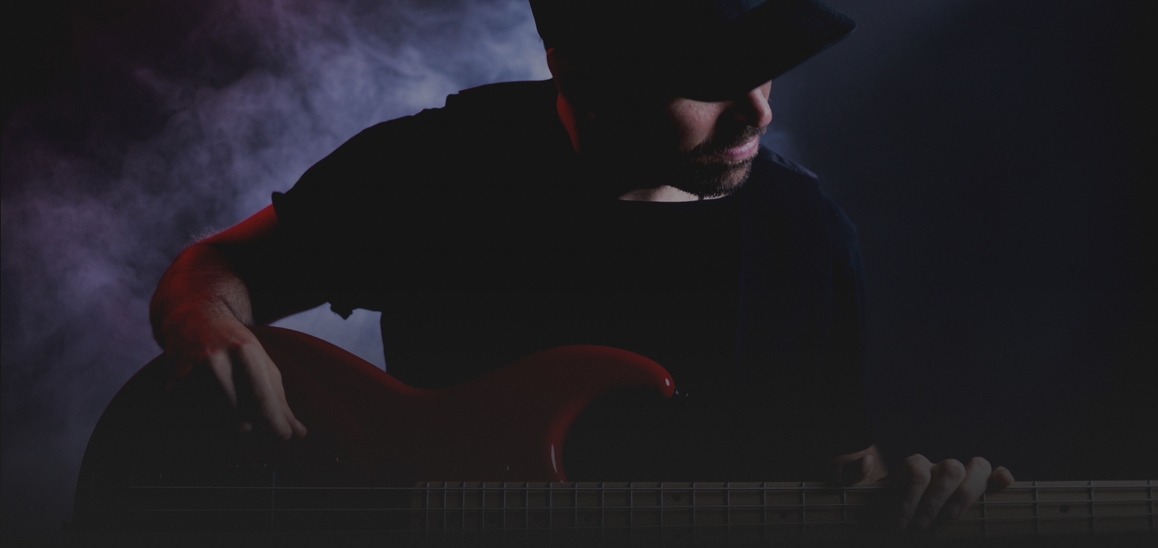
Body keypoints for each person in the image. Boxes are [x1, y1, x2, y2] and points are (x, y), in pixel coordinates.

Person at [148, 0, 1012, 532]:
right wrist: (204, 320)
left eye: (764, 72)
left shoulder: (807, 237)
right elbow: (214, 269)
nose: (756, 112)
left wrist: (921, 503)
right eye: (708, 80)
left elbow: (842, 471)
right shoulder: (436, 168)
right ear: (582, 72)